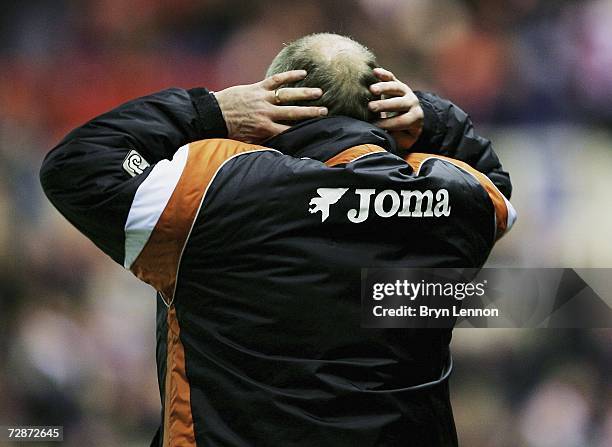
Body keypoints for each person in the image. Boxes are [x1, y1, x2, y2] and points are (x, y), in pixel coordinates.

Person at [40, 33, 515, 447]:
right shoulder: (452, 198)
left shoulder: (214, 187)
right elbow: (495, 185)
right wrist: (431, 118)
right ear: (383, 110)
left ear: (274, 103)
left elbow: (78, 164)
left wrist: (212, 110)